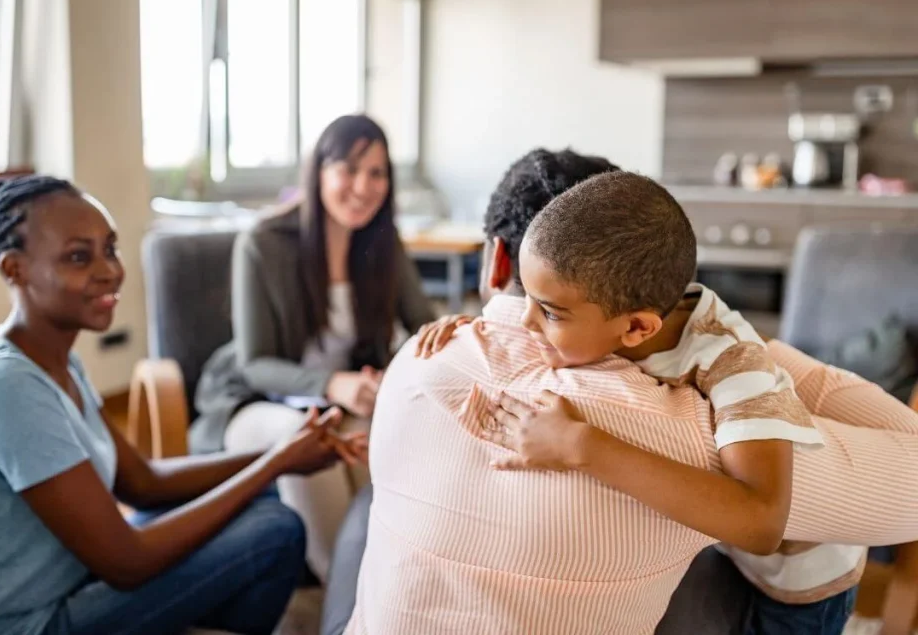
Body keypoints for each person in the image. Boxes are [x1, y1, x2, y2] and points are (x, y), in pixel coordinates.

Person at [335, 148, 918, 635]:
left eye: (549, 312)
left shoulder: (731, 380)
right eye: (528, 304)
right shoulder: (640, 381)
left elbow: (764, 523)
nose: (527, 325)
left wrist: (585, 446)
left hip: (806, 589)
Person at [0, 175, 364, 635]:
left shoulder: (55, 359)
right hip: (16, 623)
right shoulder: (4, 386)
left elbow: (142, 483)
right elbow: (127, 562)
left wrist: (281, 458)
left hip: (62, 582)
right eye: (78, 256)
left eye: (110, 248)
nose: (109, 271)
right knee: (274, 530)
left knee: (265, 498)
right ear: (14, 270)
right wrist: (275, 463)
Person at [191, 114, 435, 580]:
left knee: (389, 432)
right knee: (310, 442)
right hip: (255, 402)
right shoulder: (262, 244)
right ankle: (336, 592)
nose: (363, 186)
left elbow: (425, 328)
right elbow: (255, 362)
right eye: (349, 168)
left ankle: (387, 583)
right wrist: (332, 383)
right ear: (319, 170)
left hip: (340, 401)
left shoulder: (384, 244)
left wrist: (392, 376)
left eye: (377, 173)